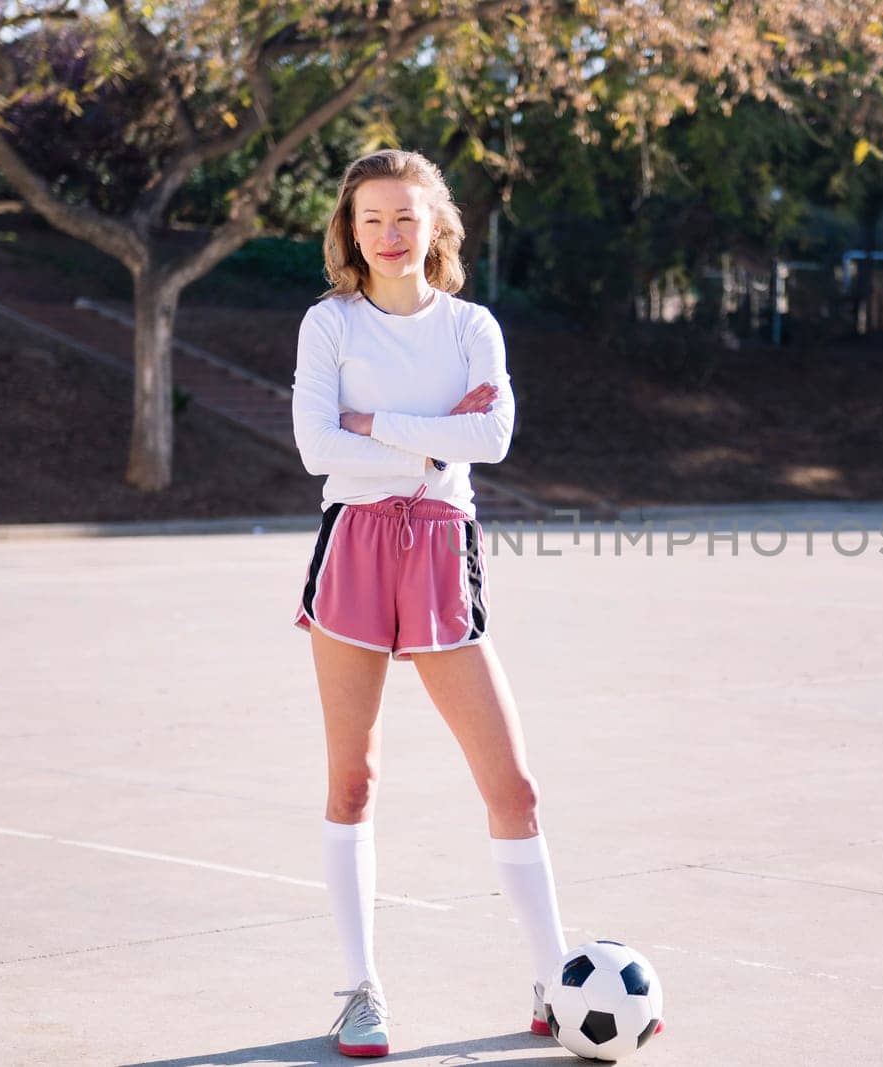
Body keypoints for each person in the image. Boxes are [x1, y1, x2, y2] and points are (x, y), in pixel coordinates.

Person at [289, 148, 562, 1058]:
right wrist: (432, 446)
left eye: (406, 217)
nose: (390, 235)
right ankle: (363, 989)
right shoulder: (328, 324)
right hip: (354, 549)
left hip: (444, 548)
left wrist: (380, 428)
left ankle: (557, 979)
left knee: (513, 785)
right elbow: (315, 450)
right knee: (353, 780)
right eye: (372, 219)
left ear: (437, 225)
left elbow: (495, 435)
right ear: (349, 231)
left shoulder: (471, 327)